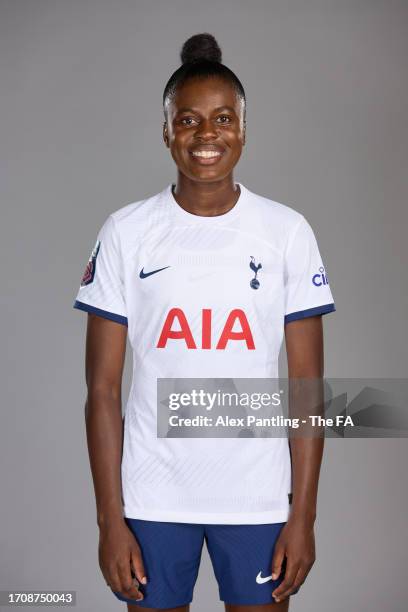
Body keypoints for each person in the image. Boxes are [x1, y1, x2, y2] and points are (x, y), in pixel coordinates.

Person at [73, 33, 335, 612]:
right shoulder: (127, 231)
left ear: (244, 128)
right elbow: (102, 389)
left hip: (258, 502)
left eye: (222, 118)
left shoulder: (286, 232)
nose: (205, 134)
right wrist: (109, 522)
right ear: (166, 130)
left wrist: (303, 518)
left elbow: (307, 390)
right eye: (187, 120)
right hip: (152, 499)